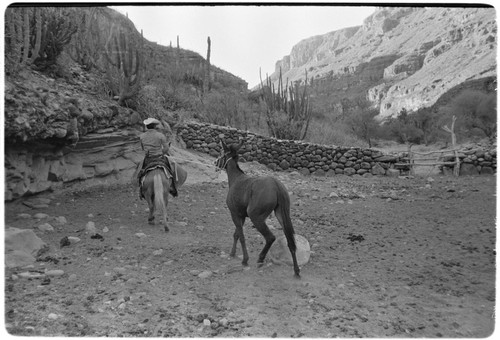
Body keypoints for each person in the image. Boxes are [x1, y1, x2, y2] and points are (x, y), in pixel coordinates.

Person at [137, 117, 178, 198]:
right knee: (173, 166)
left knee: (139, 172)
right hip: (160, 158)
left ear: (146, 126)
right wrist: (161, 152)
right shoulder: (160, 135)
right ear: (155, 126)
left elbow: (143, 149)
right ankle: (172, 187)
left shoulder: (141, 136)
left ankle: (141, 189)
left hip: (148, 159)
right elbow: (166, 149)